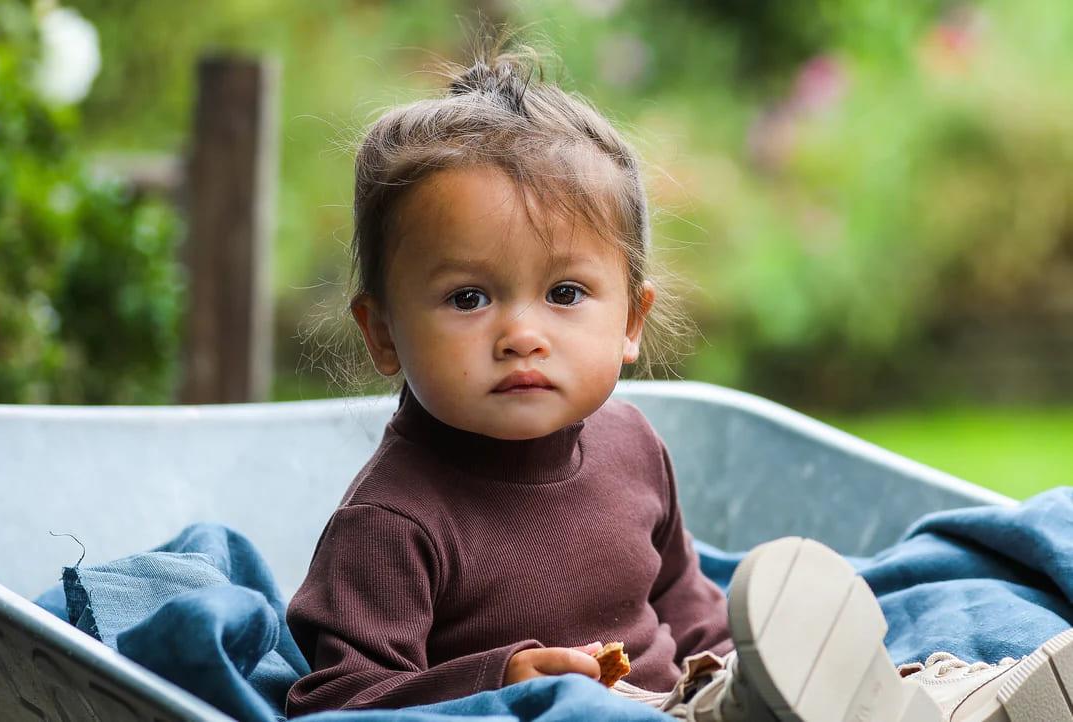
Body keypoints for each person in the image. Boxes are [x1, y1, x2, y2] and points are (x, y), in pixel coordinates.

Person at [285, 35, 1073, 722]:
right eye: (468, 297)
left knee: (788, 687)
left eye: (564, 294)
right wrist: (502, 681)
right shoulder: (393, 523)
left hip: (687, 697)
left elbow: (688, 606)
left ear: (629, 321)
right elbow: (337, 701)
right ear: (382, 331)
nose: (521, 333)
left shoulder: (631, 444)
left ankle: (931, 698)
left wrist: (747, 664)